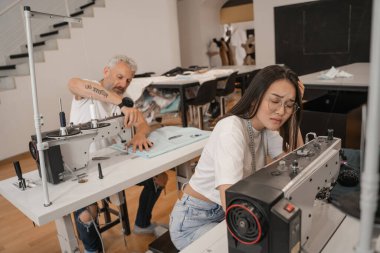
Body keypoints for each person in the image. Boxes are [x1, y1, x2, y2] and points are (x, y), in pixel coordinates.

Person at [169, 65, 304, 250]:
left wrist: (296, 111)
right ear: (256, 96)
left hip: (227, 214)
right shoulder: (230, 130)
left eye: (288, 105)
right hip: (195, 222)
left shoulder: (265, 126)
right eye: (275, 101)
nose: (281, 111)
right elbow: (230, 200)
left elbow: (297, 162)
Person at [68, 55, 166, 253]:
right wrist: (121, 103)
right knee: (88, 213)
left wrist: (140, 134)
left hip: (115, 164)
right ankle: (92, 250)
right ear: (106, 72)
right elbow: (73, 83)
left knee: (160, 179)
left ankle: (142, 223)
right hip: (84, 168)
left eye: (128, 80)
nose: (123, 84)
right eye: (119, 77)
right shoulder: (88, 91)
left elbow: (143, 125)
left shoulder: (125, 100)